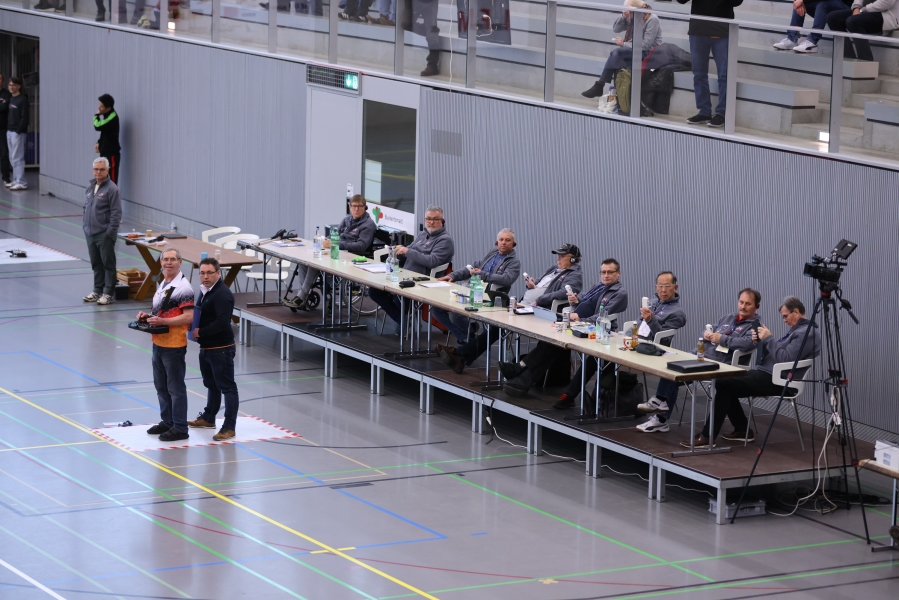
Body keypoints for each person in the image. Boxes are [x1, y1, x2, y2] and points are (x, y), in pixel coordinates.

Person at [681, 296, 821, 448]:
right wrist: (760, 341)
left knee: (725, 385)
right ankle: (741, 430)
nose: (784, 320)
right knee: (724, 382)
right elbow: (772, 356)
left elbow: (786, 359)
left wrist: (769, 339)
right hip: (768, 374)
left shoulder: (807, 334)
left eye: (785, 316)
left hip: (780, 380)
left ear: (796, 312)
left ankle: (708, 436)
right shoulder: (798, 331)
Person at [437, 242, 582, 375]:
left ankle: (461, 354)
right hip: (525, 306)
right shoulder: (554, 269)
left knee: (497, 327)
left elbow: (565, 292)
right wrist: (532, 284)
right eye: (558, 255)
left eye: (562, 256)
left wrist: (539, 300)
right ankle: (461, 355)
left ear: (573, 259)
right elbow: (541, 284)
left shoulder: (574, 274)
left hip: (540, 312)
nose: (558, 258)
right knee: (496, 325)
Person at [637, 287, 761, 433]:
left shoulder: (755, 326)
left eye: (748, 304)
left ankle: (660, 409)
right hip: (701, 357)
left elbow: (749, 344)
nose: (743, 306)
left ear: (756, 306)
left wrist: (722, 339)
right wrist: (707, 334)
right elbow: (708, 330)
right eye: (741, 302)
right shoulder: (728, 317)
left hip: (721, 365)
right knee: (670, 369)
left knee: (675, 371)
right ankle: (661, 409)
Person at [501, 258, 628, 399]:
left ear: (618, 273)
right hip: (576, 323)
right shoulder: (599, 286)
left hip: (593, 330)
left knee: (553, 343)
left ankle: (520, 370)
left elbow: (602, 316)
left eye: (610, 272)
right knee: (551, 341)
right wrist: (576, 299)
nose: (606, 275)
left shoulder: (619, 293)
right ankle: (522, 379)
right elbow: (585, 299)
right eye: (603, 272)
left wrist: (579, 319)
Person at [138, 248, 196, 442]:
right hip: (158, 342)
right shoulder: (163, 283)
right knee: (161, 386)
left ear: (180, 262)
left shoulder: (183, 288)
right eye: (165, 259)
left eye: (172, 259)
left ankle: (180, 427)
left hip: (173, 345)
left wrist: (162, 322)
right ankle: (168, 421)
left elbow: (188, 316)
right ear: (161, 262)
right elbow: (162, 311)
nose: (168, 263)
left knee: (175, 388)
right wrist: (148, 317)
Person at [368, 205, 454, 331]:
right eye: (428, 219)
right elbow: (409, 250)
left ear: (442, 221)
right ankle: (402, 320)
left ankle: (403, 323)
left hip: (424, 280)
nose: (431, 222)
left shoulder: (445, 240)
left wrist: (407, 251)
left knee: (398, 295)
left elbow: (432, 261)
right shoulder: (423, 234)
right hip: (405, 275)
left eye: (435, 219)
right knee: (374, 291)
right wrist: (398, 250)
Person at [285, 195, 376, 309]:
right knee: (304, 262)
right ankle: (302, 296)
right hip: (336, 252)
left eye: (359, 206)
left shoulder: (368, 225)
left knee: (315, 263)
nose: (356, 209)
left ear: (365, 207)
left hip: (352, 256)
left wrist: (336, 244)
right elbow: (334, 236)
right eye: (354, 206)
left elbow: (361, 246)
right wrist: (326, 240)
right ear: (350, 207)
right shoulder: (346, 220)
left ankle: (301, 297)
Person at [430, 228, 520, 343]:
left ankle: (467, 339)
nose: (503, 242)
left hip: (488, 297)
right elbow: (472, 267)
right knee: (435, 309)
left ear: (513, 243)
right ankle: (466, 336)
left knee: (455, 314)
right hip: (472, 290)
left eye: (507, 240)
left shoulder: (514, 262)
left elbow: (507, 279)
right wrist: (452, 276)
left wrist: (483, 275)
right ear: (496, 242)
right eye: (501, 239)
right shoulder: (492, 254)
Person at [187, 258, 241, 442]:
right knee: (211, 384)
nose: (205, 276)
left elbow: (222, 322)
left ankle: (229, 427)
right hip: (207, 347)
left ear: (218, 273)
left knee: (227, 387)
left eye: (209, 273)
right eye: (202, 273)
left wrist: (201, 332)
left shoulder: (222, 294)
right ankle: (209, 418)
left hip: (221, 348)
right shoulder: (206, 291)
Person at [677, 0, 743, 128]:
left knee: (724, 75)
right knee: (699, 73)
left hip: (721, 31)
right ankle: (704, 111)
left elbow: (736, 2)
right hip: (698, 29)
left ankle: (722, 113)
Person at [582, 0, 664, 98]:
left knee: (617, 53)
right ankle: (617, 97)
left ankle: (600, 85)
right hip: (636, 49)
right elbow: (616, 29)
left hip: (650, 53)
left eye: (627, 9)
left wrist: (624, 44)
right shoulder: (633, 16)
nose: (626, 10)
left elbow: (646, 45)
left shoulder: (652, 19)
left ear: (635, 8)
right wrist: (623, 16)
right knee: (617, 60)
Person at [82, 158, 122, 306]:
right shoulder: (90, 187)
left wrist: (110, 232)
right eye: (96, 169)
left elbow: (116, 213)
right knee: (96, 264)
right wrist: (85, 226)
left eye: (101, 169)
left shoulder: (112, 189)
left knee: (108, 264)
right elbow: (85, 208)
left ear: (107, 170)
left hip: (104, 234)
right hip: (90, 233)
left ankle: (108, 293)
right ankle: (97, 290)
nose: (98, 172)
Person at [827, 0, 899, 61]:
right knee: (833, 18)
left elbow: (886, 3)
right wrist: (856, 8)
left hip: (887, 15)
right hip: (866, 11)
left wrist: (862, 10)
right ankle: (848, 58)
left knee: (853, 21)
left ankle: (866, 61)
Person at [772, 0, 852, 53]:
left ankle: (812, 42)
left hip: (847, 6)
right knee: (799, 3)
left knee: (822, 4)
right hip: (830, 5)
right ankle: (792, 39)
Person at [405, 0, 442, 76]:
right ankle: (431, 30)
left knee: (431, 35)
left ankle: (432, 65)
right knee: (405, 23)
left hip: (430, 2)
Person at [5, 77, 29, 191]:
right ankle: (16, 180)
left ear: (19, 86)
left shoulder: (22, 99)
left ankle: (21, 182)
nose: (11, 87)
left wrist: (18, 130)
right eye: (10, 85)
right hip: (10, 131)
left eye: (14, 85)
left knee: (18, 157)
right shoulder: (11, 99)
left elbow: (25, 118)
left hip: (17, 133)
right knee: (12, 157)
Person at [94, 94, 121, 185]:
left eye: (102, 106)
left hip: (111, 154)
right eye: (99, 105)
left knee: (111, 182)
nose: (99, 108)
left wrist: (96, 115)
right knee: (103, 180)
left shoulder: (112, 117)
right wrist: (99, 142)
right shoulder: (106, 115)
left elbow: (97, 126)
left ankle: (112, 195)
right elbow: (105, 132)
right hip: (105, 153)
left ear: (108, 108)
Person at [0, 73, 11, 187]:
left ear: (2, 81)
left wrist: (3, 104)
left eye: (0, 79)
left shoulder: (6, 94)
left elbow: (4, 107)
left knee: (4, 154)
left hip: (3, 129)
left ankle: (6, 178)